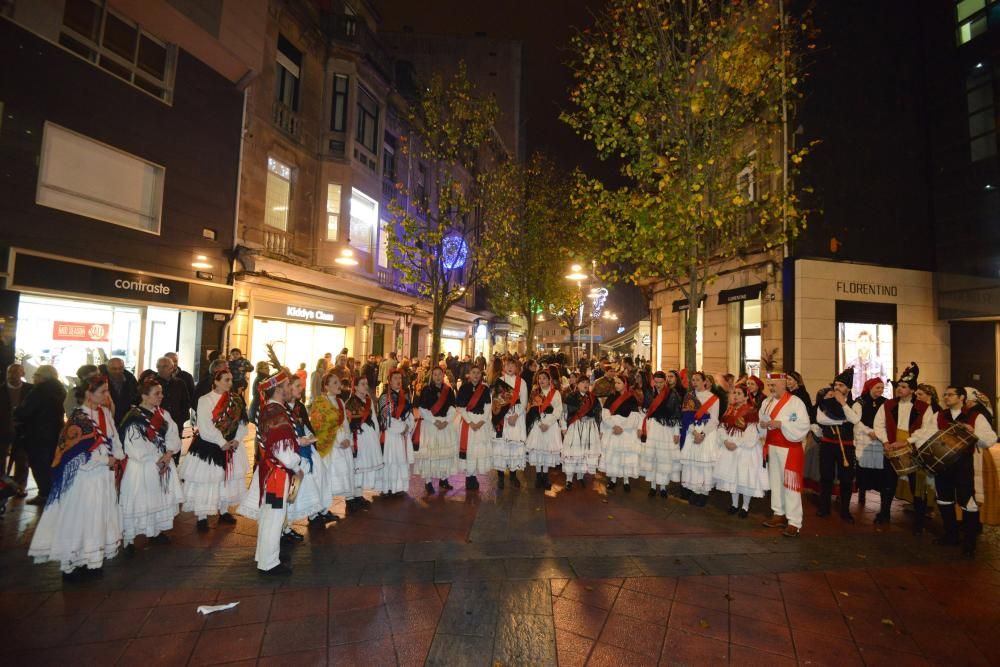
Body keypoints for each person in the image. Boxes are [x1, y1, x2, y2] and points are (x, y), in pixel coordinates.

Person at [28, 374, 123, 581]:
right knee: (80, 519)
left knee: (98, 518)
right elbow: (74, 455)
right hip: (84, 480)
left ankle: (92, 561)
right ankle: (71, 565)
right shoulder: (78, 418)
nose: (107, 395)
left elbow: (114, 437)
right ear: (89, 394)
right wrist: (103, 460)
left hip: (102, 478)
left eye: (107, 391)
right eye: (103, 392)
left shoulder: (105, 414)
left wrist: (117, 455)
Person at [914, 386, 997, 558]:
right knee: (944, 499)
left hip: (964, 465)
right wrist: (912, 443)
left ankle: (969, 544)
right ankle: (951, 535)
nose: (946, 397)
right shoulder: (939, 416)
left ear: (962, 397)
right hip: (942, 464)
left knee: (968, 501)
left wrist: (974, 434)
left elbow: (990, 439)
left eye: (950, 395)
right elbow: (925, 434)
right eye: (944, 395)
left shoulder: (975, 416)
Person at [118, 377, 184, 552]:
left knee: (158, 498)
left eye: (161, 392)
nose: (161, 396)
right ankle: (130, 539)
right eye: (157, 393)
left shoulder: (163, 414)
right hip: (142, 467)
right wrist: (159, 457)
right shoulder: (133, 417)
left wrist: (169, 453)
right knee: (140, 500)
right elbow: (134, 447)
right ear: (144, 396)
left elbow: (173, 434)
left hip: (163, 463)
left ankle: (154, 531)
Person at [180, 368, 249, 531]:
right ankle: (202, 516)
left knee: (227, 479)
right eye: (226, 380)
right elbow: (205, 425)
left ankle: (224, 510)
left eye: (231, 380)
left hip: (231, 445)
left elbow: (243, 422)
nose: (230, 383)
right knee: (207, 481)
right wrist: (221, 442)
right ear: (216, 381)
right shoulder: (205, 400)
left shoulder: (236, 400)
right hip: (209, 446)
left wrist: (237, 440)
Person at [248, 369, 302, 576]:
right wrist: (296, 465)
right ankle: (269, 563)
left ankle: (265, 557)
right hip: (277, 474)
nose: (291, 389)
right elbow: (282, 449)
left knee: (270, 516)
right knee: (274, 517)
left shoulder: (273, 409)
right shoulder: (275, 412)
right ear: (278, 389)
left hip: (272, 471)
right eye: (288, 385)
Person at [872, 362, 935, 530]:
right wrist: (885, 442)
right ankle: (884, 513)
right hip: (892, 446)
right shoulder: (888, 405)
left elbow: (928, 429)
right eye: (898, 386)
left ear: (912, 389)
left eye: (904, 386)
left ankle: (919, 521)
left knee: (917, 486)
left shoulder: (924, 408)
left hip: (913, 448)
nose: (899, 389)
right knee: (888, 482)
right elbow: (878, 424)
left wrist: (908, 441)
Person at [759, 372, 812, 537]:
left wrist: (781, 424)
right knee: (775, 481)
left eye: (773, 385)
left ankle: (794, 522)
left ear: (783, 384)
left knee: (791, 485)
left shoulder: (796, 403)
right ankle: (778, 513)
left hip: (790, 449)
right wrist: (763, 424)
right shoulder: (767, 402)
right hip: (773, 446)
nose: (770, 388)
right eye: (769, 385)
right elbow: (761, 419)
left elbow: (803, 425)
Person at [15, 365, 66, 505]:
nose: (34, 377)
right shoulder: (59, 389)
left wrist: (17, 411)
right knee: (50, 463)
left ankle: (44, 494)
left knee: (39, 464)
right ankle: (52, 492)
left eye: (36, 375)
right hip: (54, 432)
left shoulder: (39, 391)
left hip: (37, 433)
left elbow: (26, 410)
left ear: (43, 377)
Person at [816, 368, 861, 523]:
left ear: (848, 388)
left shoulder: (856, 404)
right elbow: (821, 419)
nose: (837, 388)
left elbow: (855, 419)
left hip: (846, 446)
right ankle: (824, 508)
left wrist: (843, 403)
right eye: (835, 385)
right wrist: (842, 421)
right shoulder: (825, 401)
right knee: (826, 477)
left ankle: (845, 511)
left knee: (846, 479)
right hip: (828, 444)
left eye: (841, 385)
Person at [713, 384, 765, 517]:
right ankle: (734, 504)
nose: (735, 396)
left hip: (744, 448)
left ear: (746, 396)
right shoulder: (730, 409)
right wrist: (725, 440)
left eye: (739, 393)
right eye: (734, 393)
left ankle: (745, 507)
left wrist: (736, 443)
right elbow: (721, 427)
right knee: (732, 476)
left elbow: (752, 433)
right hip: (729, 444)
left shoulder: (751, 411)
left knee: (744, 476)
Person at [309, 369, 354, 515]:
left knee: (339, 477)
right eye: (335, 382)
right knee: (325, 478)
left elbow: (345, 422)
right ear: (326, 387)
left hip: (343, 444)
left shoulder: (340, 401)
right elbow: (317, 426)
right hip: (328, 447)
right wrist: (335, 443)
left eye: (339, 382)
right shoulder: (320, 402)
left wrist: (347, 438)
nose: (339, 384)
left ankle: (325, 509)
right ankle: (321, 510)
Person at [284, 375, 325, 533]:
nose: (300, 388)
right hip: (294, 453)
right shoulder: (282, 408)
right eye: (297, 386)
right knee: (293, 488)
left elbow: (306, 425)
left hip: (306, 450)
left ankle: (313, 513)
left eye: (300, 386)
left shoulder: (299, 406)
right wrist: (300, 440)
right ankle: (286, 525)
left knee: (314, 479)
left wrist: (310, 437)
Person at [640, 370, 684, 498]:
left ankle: (663, 487)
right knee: (653, 458)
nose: (658, 385)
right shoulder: (649, 393)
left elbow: (676, 414)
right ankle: (653, 486)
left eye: (661, 382)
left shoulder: (672, 394)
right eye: (656, 382)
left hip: (666, 429)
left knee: (664, 458)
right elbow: (645, 410)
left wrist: (676, 432)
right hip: (653, 427)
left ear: (665, 382)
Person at [679, 371, 721, 506]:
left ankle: (704, 493)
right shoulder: (689, 397)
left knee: (704, 464)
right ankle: (695, 490)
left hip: (707, 434)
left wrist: (702, 434)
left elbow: (714, 420)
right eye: (693, 380)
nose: (694, 382)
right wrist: (693, 432)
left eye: (697, 380)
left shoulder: (714, 398)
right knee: (693, 463)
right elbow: (686, 418)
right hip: (693, 432)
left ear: (705, 382)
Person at [416, 367, 458, 494]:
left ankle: (443, 479)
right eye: (435, 375)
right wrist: (435, 421)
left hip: (445, 424)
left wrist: (446, 421)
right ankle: (428, 482)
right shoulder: (426, 390)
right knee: (430, 454)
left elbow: (452, 407)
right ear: (431, 376)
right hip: (431, 425)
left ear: (443, 375)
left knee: (443, 454)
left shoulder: (448, 390)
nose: (438, 377)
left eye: (440, 374)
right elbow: (422, 409)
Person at [600, 375, 641, 491]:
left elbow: (634, 416)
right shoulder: (611, 397)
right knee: (614, 455)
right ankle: (613, 479)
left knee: (625, 455)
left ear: (625, 384)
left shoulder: (631, 398)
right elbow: (605, 414)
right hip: (613, 428)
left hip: (626, 430)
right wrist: (614, 426)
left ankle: (626, 480)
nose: (616, 385)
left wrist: (623, 427)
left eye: (619, 383)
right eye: (615, 383)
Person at [378, 369, 415, 496]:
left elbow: (410, 414)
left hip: (403, 434)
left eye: (400, 378)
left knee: (401, 460)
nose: (398, 381)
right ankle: (388, 487)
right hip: (391, 435)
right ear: (389, 381)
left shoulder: (405, 395)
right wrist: (402, 427)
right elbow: (386, 419)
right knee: (391, 460)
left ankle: (399, 487)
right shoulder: (384, 397)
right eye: (395, 378)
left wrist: (408, 427)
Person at [561, 375, 602, 489]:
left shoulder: (593, 398)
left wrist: (599, 429)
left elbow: (599, 414)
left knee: (584, 452)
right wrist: (564, 427)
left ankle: (580, 475)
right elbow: (564, 413)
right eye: (582, 382)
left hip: (590, 427)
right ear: (577, 384)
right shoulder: (570, 397)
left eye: (587, 382)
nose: (585, 384)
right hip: (575, 427)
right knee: (573, 452)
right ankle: (569, 479)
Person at [525, 370, 564, 490]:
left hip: (551, 426)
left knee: (547, 450)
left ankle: (545, 476)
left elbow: (558, 410)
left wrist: (548, 423)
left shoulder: (555, 393)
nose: (541, 381)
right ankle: (538, 476)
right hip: (538, 425)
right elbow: (531, 410)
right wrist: (539, 423)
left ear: (549, 380)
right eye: (539, 378)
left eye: (544, 378)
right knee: (538, 450)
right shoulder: (534, 393)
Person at [455, 365, 491, 490]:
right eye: (473, 372)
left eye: (478, 373)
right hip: (468, 422)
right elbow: (460, 407)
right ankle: (468, 476)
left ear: (481, 375)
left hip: (481, 423)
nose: (476, 375)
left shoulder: (485, 389)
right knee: (469, 449)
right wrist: (470, 422)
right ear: (469, 374)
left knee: (478, 449)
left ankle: (474, 474)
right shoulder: (464, 388)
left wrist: (481, 422)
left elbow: (488, 407)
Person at [494, 358, 528, 489]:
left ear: (517, 368)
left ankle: (513, 476)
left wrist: (515, 415)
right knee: (501, 447)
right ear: (504, 366)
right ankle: (500, 477)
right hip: (502, 419)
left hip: (516, 418)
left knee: (514, 447)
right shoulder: (500, 381)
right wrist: (506, 415)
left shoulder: (522, 382)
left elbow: (524, 401)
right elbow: (496, 401)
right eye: (507, 364)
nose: (510, 367)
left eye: (513, 365)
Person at [347, 376, 382, 501]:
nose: (365, 386)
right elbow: (348, 424)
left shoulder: (369, 400)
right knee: (358, 467)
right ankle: (352, 498)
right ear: (355, 387)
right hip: (358, 438)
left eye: (366, 383)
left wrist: (376, 434)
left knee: (363, 467)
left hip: (369, 436)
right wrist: (351, 441)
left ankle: (359, 495)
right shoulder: (350, 402)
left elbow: (374, 419)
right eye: (362, 384)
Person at [854, 378, 887, 507]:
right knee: (864, 466)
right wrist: (868, 431)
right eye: (877, 387)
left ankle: (881, 492)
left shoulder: (885, 402)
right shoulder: (860, 402)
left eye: (882, 388)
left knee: (879, 467)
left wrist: (879, 433)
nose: (880, 390)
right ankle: (862, 492)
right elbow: (856, 420)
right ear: (870, 388)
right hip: (865, 437)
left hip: (879, 438)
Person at [0, 363, 31, 494]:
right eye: (10, 372)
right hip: (3, 429)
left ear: (22, 374)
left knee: (22, 459)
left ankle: (20, 487)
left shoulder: (30, 390)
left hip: (23, 430)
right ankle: (2, 485)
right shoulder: (1, 390)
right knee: (1, 458)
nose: (12, 375)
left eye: (16, 372)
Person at [155, 357, 192, 460]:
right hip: (157, 423)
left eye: (165, 366)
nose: (161, 369)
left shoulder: (180, 383)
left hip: (176, 422)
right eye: (159, 366)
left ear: (172, 368)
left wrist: (181, 419)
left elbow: (186, 402)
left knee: (175, 449)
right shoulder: (152, 383)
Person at [848, 330, 889, 399]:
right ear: (857, 343)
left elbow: (886, 385)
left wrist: (886, 402)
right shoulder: (850, 363)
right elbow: (846, 385)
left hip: (875, 400)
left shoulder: (879, 363)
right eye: (861, 341)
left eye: (866, 341)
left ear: (870, 343)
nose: (864, 344)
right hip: (856, 400)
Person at [106, 357, 138, 428]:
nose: (117, 371)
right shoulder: (102, 381)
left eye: (120, 368)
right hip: (107, 420)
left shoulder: (130, 379)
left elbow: (137, 397)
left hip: (127, 421)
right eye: (114, 369)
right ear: (108, 369)